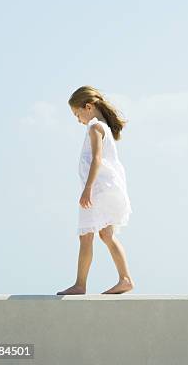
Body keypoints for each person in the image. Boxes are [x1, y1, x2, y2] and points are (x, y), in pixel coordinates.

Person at [57, 86, 134, 295]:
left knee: (86, 236)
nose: (78, 119)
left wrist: (87, 189)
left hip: (98, 190)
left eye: (77, 114)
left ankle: (80, 284)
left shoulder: (95, 128)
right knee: (107, 235)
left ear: (88, 107)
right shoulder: (103, 127)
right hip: (108, 188)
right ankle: (125, 278)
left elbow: (97, 159)